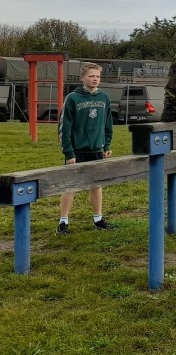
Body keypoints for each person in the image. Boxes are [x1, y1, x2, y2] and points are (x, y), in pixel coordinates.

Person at [57, 63, 114, 234]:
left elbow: (108, 123)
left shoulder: (104, 97)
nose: (95, 79)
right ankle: (63, 222)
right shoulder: (73, 98)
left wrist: (107, 144)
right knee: (70, 186)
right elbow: (64, 128)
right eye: (91, 76)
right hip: (76, 151)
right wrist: (69, 152)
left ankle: (98, 219)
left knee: (96, 185)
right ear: (83, 78)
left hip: (96, 149)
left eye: (97, 76)